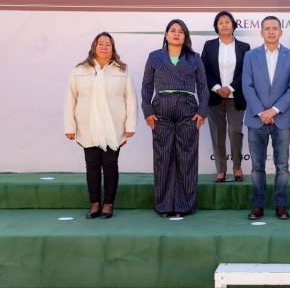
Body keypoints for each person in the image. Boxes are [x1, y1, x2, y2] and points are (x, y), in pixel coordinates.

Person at [64, 32, 138, 219]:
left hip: (114, 127)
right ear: (94, 47)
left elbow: (130, 99)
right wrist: (70, 128)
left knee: (111, 165)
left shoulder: (122, 70)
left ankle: (108, 204)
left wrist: (130, 125)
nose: (104, 47)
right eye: (100, 44)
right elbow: (70, 100)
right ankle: (95, 203)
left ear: (113, 49)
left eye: (108, 44)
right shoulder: (79, 70)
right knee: (92, 166)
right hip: (87, 126)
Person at [141, 19, 209, 217]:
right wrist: (148, 110)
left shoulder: (194, 58)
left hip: (187, 108)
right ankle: (164, 205)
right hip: (161, 108)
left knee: (186, 157)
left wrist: (202, 111)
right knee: (163, 158)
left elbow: (203, 86)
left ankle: (184, 205)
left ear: (186, 36)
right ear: (166, 34)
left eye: (181, 31)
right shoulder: (155, 57)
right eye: (173, 30)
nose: (177, 34)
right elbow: (146, 85)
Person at [242, 16, 290, 220]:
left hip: (281, 119)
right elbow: (246, 86)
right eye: (267, 28)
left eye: (275, 28)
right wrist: (261, 111)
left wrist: (274, 110)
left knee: (282, 166)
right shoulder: (250, 55)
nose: (271, 31)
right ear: (261, 32)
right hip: (256, 119)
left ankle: (280, 205)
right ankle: (258, 205)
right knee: (257, 166)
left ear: (281, 32)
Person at [201, 11, 251, 183]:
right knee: (217, 134)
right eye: (220, 22)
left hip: (236, 96)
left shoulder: (244, 47)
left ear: (233, 25)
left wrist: (229, 87)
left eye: (227, 22)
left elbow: (246, 72)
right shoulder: (209, 46)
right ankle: (221, 170)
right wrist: (216, 88)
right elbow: (203, 70)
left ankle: (237, 167)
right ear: (216, 27)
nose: (224, 25)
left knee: (235, 132)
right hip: (215, 97)